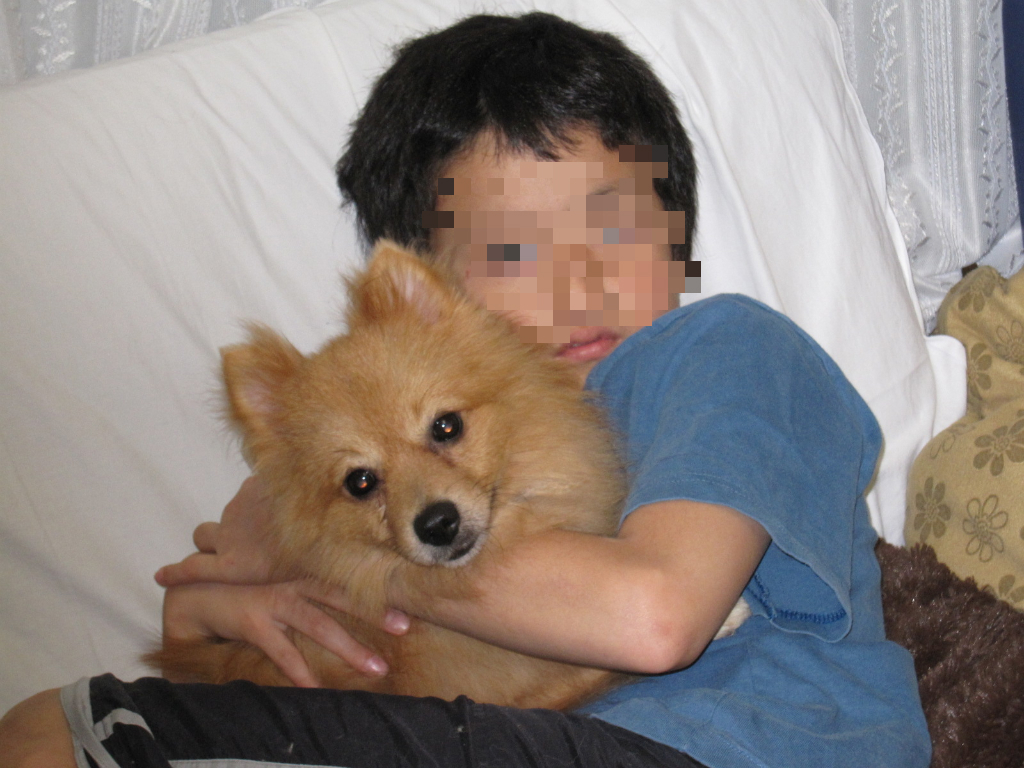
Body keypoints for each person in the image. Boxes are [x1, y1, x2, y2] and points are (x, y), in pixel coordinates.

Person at [0, 12, 931, 768]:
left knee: (53, 733)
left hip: (728, 747)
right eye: (512, 250)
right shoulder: (418, 425)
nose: (576, 281)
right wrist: (223, 633)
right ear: (431, 295)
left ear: (678, 229)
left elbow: (654, 618)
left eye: (611, 225)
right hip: (533, 738)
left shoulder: (727, 349)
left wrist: (316, 559)